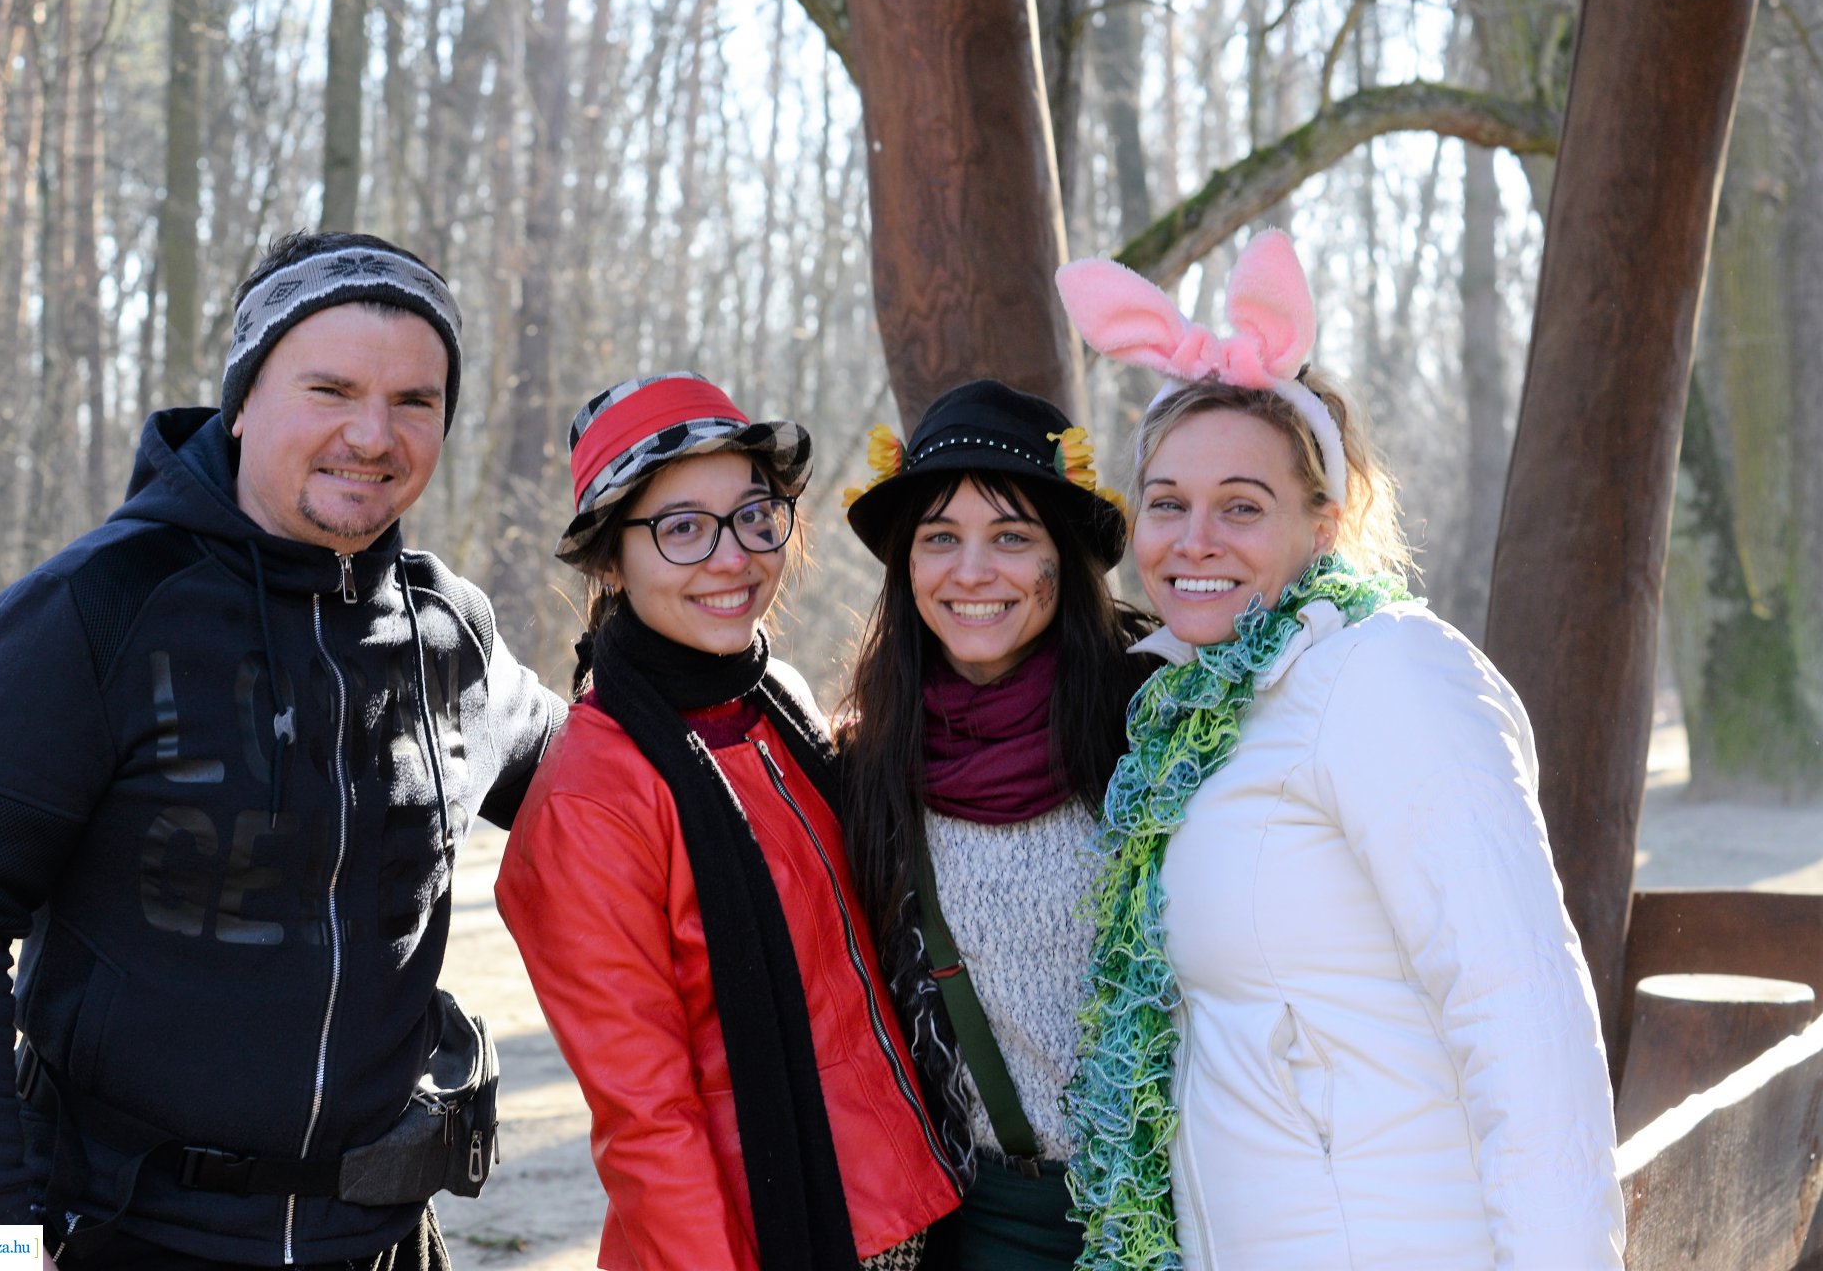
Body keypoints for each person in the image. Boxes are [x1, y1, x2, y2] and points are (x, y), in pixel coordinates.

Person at [0, 231, 567, 1270]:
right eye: (331, 389)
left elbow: (614, 785)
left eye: (415, 400)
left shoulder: (447, 634)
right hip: (118, 1234)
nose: (372, 434)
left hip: (385, 1240)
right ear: (244, 399)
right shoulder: (93, 612)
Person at [1053, 230, 1626, 1269]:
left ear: (1323, 524)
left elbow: (1520, 1016)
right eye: (1168, 504)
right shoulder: (1194, 721)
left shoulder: (1384, 675)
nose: (1195, 539)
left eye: (1243, 506)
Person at [495, 373, 960, 1271]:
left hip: (913, 1202)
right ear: (609, 561)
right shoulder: (591, 801)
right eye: (682, 528)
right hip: (766, 1241)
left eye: (753, 515)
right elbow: (647, 1122)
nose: (733, 557)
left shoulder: (776, 703)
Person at [838, 380, 1153, 1269]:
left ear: (1065, 559)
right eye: (941, 538)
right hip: (984, 1222)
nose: (972, 571)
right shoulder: (868, 765)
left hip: (1182, 1205)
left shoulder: (1155, 731)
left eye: (1012, 537)